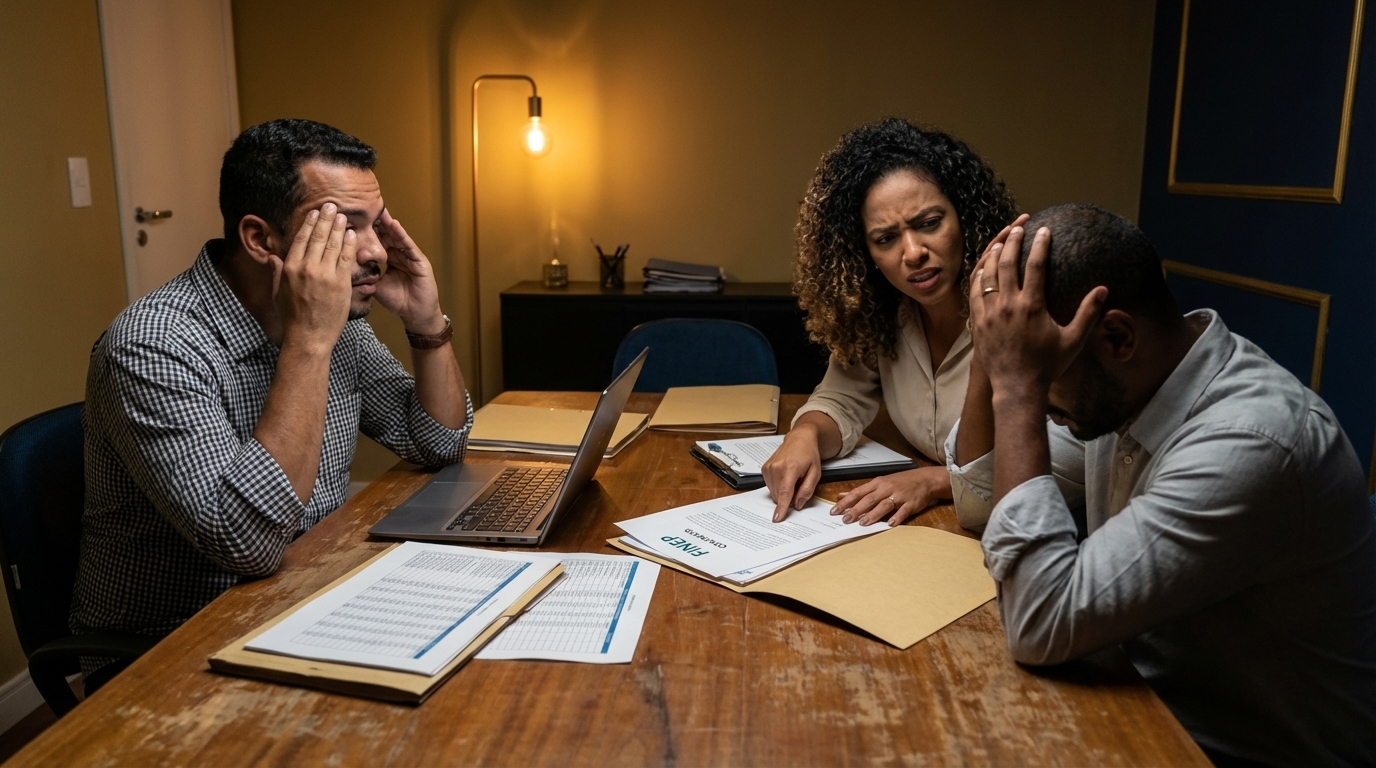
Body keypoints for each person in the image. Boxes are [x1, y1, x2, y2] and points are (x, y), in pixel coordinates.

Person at [951, 203, 1376, 766]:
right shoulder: (1133, 384)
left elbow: (1039, 624)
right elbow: (983, 501)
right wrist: (991, 350)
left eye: (1046, 368)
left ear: (1117, 337)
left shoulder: (1252, 442)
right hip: (1144, 709)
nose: (1043, 400)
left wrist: (1017, 386)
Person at [71, 120, 473, 664]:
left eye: (376, 225)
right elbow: (249, 545)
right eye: (343, 227)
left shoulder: (341, 324)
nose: (376, 252)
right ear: (261, 239)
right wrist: (309, 342)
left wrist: (427, 324)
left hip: (307, 599)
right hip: (173, 652)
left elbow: (438, 443)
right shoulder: (151, 345)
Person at [762, 117, 1017, 525]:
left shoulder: (1019, 307)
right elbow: (842, 398)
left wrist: (938, 481)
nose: (913, 252)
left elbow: (1067, 455)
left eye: (929, 223)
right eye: (886, 239)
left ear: (965, 217)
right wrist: (804, 433)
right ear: (865, 253)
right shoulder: (881, 312)